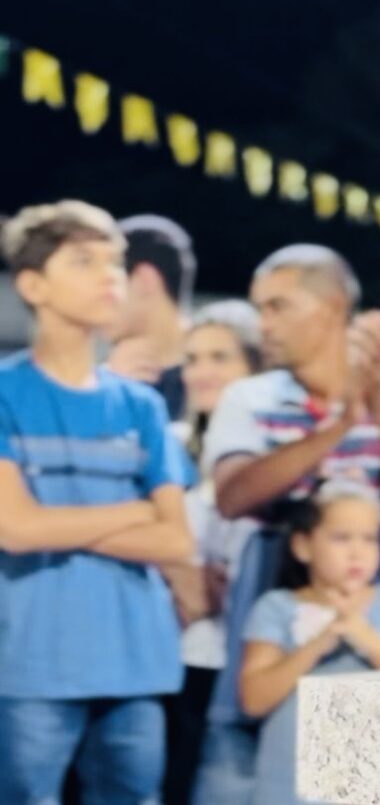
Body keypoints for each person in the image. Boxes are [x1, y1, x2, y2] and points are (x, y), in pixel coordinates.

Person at [193, 244, 380, 804]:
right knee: (242, 741)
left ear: (333, 307)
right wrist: (335, 429)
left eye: (277, 306)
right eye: (261, 308)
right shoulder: (250, 396)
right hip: (267, 591)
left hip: (378, 601)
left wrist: (375, 398)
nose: (264, 323)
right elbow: (235, 496)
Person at [0, 200, 193, 803]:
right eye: (84, 261)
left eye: (114, 262)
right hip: (33, 663)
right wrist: (137, 509)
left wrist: (53, 520)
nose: (109, 275)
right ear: (33, 284)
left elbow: (177, 540)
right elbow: (16, 530)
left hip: (136, 662)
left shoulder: (142, 405)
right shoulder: (6, 392)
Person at [239, 479, 380, 804]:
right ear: (303, 546)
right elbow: (254, 700)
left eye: (369, 539)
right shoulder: (277, 607)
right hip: (292, 778)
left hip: (375, 776)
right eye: (341, 538)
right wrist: (318, 642)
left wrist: (364, 635)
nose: (357, 552)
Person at [164, 300, 263, 805]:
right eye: (193, 358)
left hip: (256, 656)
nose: (201, 372)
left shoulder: (275, 453)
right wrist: (180, 572)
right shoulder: (174, 445)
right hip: (183, 658)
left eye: (219, 358)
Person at [105, 214, 198, 420]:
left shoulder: (226, 370)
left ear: (145, 280)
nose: (97, 306)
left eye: (110, 286)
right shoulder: (106, 379)